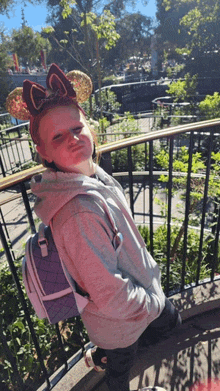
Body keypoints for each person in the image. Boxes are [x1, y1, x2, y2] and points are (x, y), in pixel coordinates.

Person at [6, 64, 181, 391]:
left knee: (131, 349)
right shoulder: (78, 212)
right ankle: (107, 357)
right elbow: (110, 295)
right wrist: (153, 304)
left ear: (90, 128)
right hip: (121, 322)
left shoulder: (91, 177)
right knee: (122, 372)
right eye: (57, 136)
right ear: (43, 151)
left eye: (76, 128)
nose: (72, 139)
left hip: (124, 313)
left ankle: (101, 354)